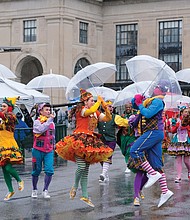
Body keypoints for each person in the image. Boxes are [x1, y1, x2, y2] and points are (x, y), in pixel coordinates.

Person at [56, 89, 113, 207]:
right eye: (91, 100)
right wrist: (99, 102)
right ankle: (75, 186)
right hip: (79, 140)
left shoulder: (95, 112)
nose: (93, 102)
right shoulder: (81, 110)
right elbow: (90, 110)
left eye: (93, 100)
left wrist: (105, 107)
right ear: (85, 102)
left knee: (86, 169)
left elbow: (108, 118)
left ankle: (85, 196)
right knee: (81, 166)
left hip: (90, 140)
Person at [128, 80, 174, 208]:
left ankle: (152, 174)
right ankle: (165, 191)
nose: (154, 88)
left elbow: (147, 113)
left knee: (135, 151)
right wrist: (136, 100)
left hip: (153, 132)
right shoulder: (151, 101)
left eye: (157, 87)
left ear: (161, 90)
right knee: (157, 165)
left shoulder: (158, 101)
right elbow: (137, 107)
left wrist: (140, 104)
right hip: (155, 134)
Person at [97, 100, 129, 183]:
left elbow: (125, 123)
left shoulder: (115, 117)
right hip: (101, 140)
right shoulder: (99, 116)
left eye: (111, 107)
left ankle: (103, 174)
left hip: (110, 140)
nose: (110, 108)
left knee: (107, 156)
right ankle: (105, 173)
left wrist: (130, 121)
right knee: (101, 158)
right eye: (108, 106)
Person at [0, 97, 24, 201]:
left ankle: (19, 180)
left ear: (9, 108)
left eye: (4, 106)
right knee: (4, 169)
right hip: (1, 144)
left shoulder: (11, 116)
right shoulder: (2, 118)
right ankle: (10, 190)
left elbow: (5, 117)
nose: (2, 108)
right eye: (1, 106)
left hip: (8, 144)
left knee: (8, 168)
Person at [31, 103, 55, 199]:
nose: (48, 112)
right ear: (40, 111)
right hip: (37, 150)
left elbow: (53, 135)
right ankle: (34, 189)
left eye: (49, 110)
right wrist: (49, 120)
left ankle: (45, 190)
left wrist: (54, 145)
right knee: (36, 170)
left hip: (49, 150)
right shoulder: (37, 122)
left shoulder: (52, 123)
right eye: (46, 110)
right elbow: (39, 129)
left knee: (49, 170)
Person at [167, 106, 190, 183]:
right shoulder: (178, 120)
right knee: (178, 159)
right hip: (178, 141)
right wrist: (175, 125)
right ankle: (179, 176)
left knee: (186, 160)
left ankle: (189, 171)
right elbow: (172, 131)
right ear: (182, 112)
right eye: (185, 112)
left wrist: (187, 127)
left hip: (187, 141)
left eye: (188, 112)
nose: (186, 113)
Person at [117, 103, 138, 173]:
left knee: (129, 150)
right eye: (126, 107)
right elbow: (118, 125)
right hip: (123, 136)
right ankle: (129, 163)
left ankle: (129, 165)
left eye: (129, 107)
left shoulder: (135, 115)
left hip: (131, 136)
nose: (128, 109)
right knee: (124, 151)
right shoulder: (122, 116)